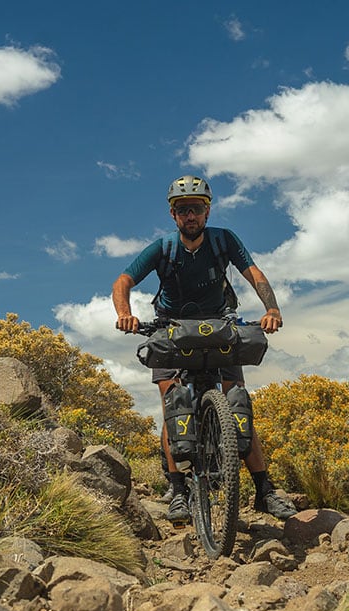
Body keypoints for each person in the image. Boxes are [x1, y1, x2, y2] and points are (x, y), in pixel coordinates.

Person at [112, 174, 297, 523]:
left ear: (207, 212)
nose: (190, 216)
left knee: (237, 400)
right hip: (171, 330)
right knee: (173, 402)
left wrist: (271, 309)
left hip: (218, 328)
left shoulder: (223, 240)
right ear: (173, 215)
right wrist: (125, 314)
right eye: (182, 210)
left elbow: (254, 273)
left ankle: (264, 490)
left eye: (196, 209)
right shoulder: (163, 248)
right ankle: (178, 491)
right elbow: (123, 280)